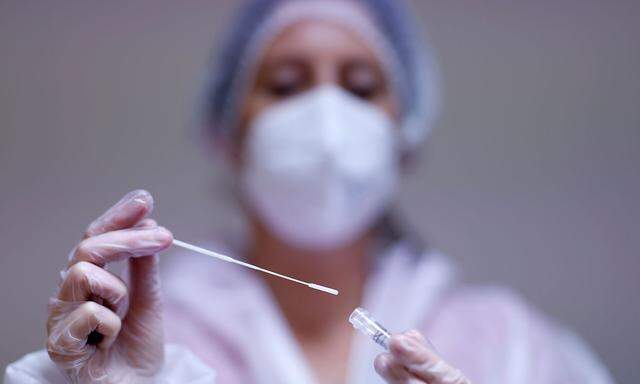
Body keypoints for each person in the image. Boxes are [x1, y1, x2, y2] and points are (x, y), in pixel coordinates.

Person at [4, 0, 614, 383]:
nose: (326, 117)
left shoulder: (510, 345)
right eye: (287, 84)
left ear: (403, 134)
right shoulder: (143, 341)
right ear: (231, 133)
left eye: (361, 85)